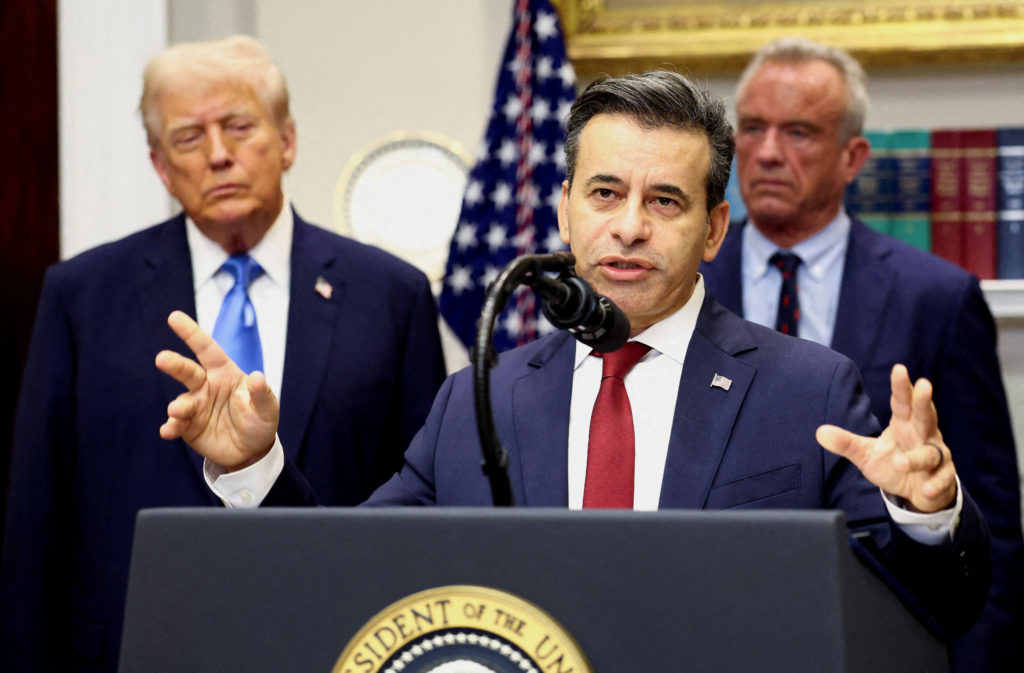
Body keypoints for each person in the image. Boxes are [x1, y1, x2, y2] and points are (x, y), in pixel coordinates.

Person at [156, 70, 990, 638]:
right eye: (605, 193)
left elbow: (936, 611)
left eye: (664, 200)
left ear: (713, 228)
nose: (628, 225)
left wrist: (928, 513)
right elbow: (347, 586)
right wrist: (257, 468)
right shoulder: (476, 400)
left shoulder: (808, 392)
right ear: (564, 211)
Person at [0, 36, 446, 673]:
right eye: (188, 138)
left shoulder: (391, 295)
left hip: (336, 643)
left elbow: (424, 512)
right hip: (131, 649)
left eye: (239, 127)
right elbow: (35, 520)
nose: (218, 156)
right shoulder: (82, 296)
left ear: (286, 140)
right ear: (159, 165)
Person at [699, 37, 1023, 672]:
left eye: (798, 132)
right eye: (754, 129)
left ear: (853, 157)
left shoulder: (936, 297)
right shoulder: (687, 286)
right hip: (718, 629)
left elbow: (992, 524)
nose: (766, 153)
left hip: (883, 636)